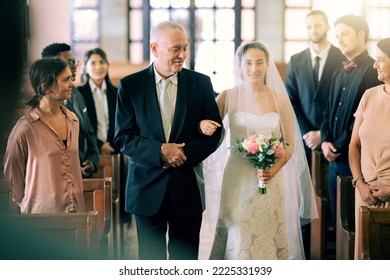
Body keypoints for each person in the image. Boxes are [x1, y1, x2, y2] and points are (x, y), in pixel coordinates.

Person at [114, 21, 222, 260]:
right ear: (155, 48)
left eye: (185, 48)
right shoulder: (131, 86)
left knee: (186, 261)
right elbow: (123, 138)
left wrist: (182, 155)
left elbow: (214, 132)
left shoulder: (200, 83)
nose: (182, 55)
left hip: (187, 187)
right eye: (175, 49)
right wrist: (161, 151)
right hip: (145, 188)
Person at [199, 41, 317, 260]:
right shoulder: (227, 96)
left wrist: (272, 170)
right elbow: (207, 128)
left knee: (267, 234)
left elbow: (289, 144)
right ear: (240, 65)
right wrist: (201, 125)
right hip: (238, 177)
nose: (254, 68)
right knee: (239, 233)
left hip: (271, 178)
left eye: (259, 62)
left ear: (267, 64)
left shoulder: (280, 100)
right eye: (249, 63)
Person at [285, 10, 345, 259]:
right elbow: (290, 100)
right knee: (302, 195)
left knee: (331, 198)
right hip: (302, 139)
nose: (314, 30)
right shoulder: (296, 60)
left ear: (327, 26)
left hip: (331, 138)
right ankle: (305, 244)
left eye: (318, 25)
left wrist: (323, 133)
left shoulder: (342, 58)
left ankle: (330, 246)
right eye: (309, 26)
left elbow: (342, 100)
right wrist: (307, 132)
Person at [320, 15, 382, 227]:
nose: (340, 40)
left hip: (356, 159)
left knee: (355, 225)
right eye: (337, 36)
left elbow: (365, 119)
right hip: (333, 158)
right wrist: (325, 140)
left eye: (345, 34)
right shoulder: (338, 71)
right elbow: (328, 109)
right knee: (338, 223)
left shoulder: (375, 72)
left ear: (361, 35)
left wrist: (338, 144)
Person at [3, 58, 86, 213]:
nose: (71, 84)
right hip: (42, 217)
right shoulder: (25, 129)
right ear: (46, 87)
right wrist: (35, 201)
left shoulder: (73, 120)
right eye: (66, 80)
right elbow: (13, 178)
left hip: (75, 216)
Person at [349, 38, 390, 259]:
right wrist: (359, 183)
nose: (375, 65)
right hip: (365, 194)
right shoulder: (369, 96)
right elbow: (353, 146)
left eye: (380, 60)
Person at [41, 43, 99, 178]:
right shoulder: (44, 105)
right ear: (52, 65)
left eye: (75, 61)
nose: (75, 65)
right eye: (70, 61)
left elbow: (90, 133)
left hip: (81, 177)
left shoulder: (77, 95)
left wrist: (93, 161)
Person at [78, 47, 119, 155]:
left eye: (102, 62)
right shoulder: (78, 94)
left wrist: (112, 145)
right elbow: (80, 127)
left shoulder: (117, 92)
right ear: (85, 68)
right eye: (93, 63)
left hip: (114, 150)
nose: (98, 67)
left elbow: (121, 123)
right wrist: (100, 145)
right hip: (89, 152)